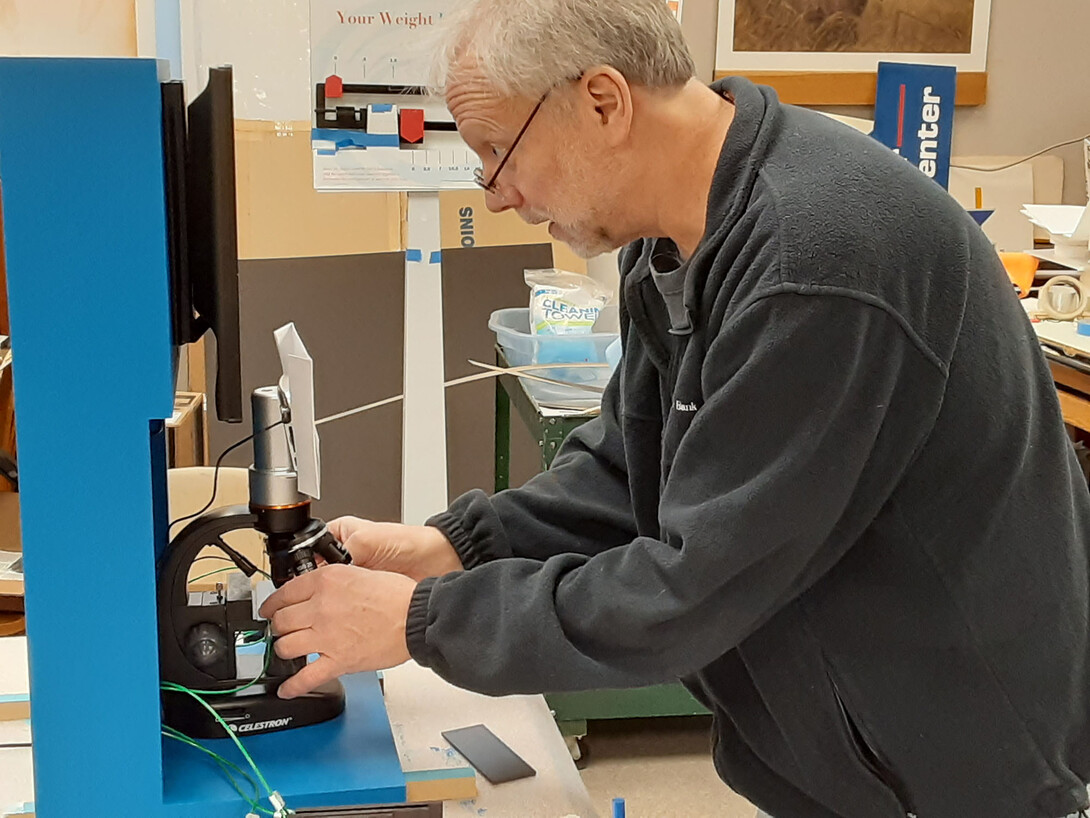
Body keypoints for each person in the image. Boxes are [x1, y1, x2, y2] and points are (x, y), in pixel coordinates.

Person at [259, 1, 1090, 816]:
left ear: (603, 102)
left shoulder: (818, 262)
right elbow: (631, 473)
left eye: (497, 152)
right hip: (851, 747)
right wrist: (452, 547)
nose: (498, 193)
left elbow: (693, 586)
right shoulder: (678, 241)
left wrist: (421, 620)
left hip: (953, 761)